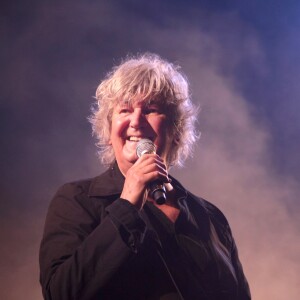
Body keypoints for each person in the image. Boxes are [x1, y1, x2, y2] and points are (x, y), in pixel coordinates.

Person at [39, 53, 251, 300]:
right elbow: (61, 293)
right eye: (125, 110)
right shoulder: (78, 201)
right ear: (109, 131)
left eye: (150, 110)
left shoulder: (210, 217)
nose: (136, 122)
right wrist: (126, 205)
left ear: (176, 131)